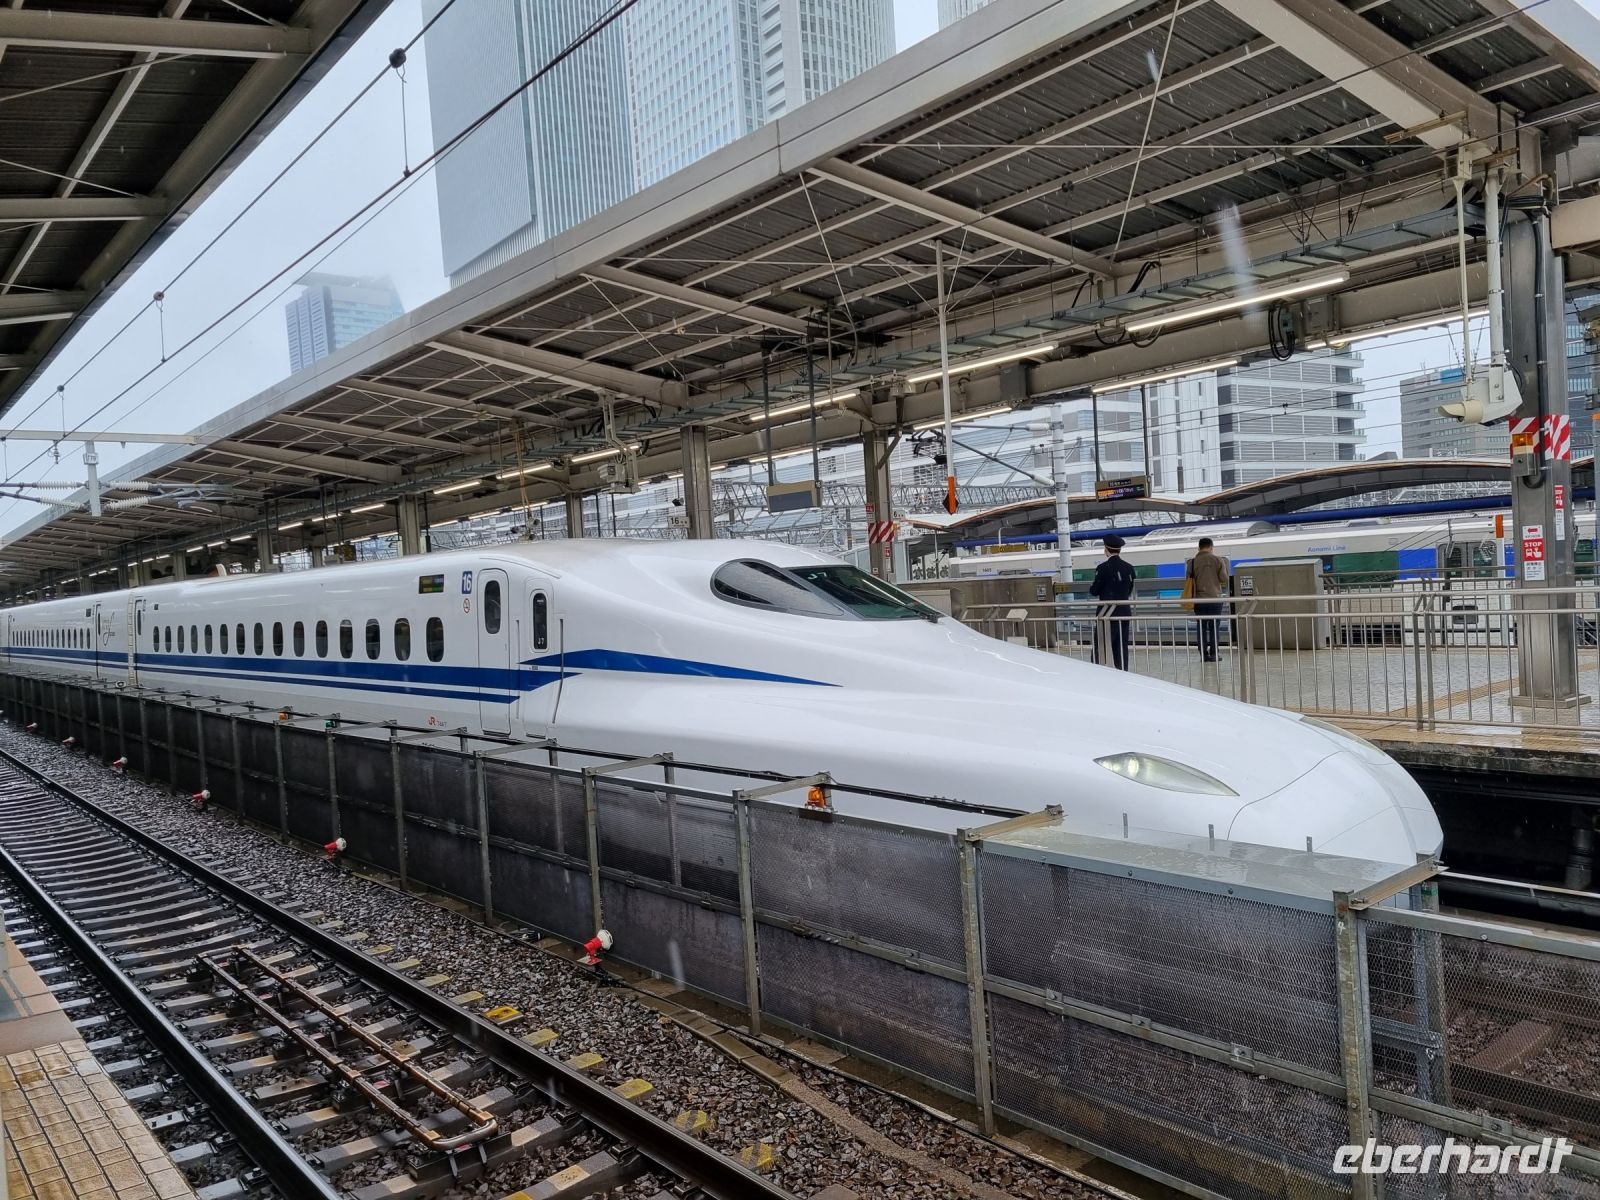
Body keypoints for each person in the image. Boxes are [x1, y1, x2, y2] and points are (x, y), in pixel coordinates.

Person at [1089, 534, 1135, 670]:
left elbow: (1094, 590)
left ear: (1106, 549)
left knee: (1100, 647)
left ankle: (1097, 672)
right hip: (1124, 613)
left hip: (1106, 615)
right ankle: (1123, 673)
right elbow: (1129, 590)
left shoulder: (1103, 568)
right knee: (1121, 648)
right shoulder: (1129, 567)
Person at [1188, 536, 1229, 663]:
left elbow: (1188, 580)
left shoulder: (1192, 562)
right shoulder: (1218, 560)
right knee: (1214, 627)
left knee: (1201, 627)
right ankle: (1214, 654)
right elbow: (1224, 579)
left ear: (1199, 548)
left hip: (1199, 600)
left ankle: (1203, 655)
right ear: (1211, 547)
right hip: (1214, 599)